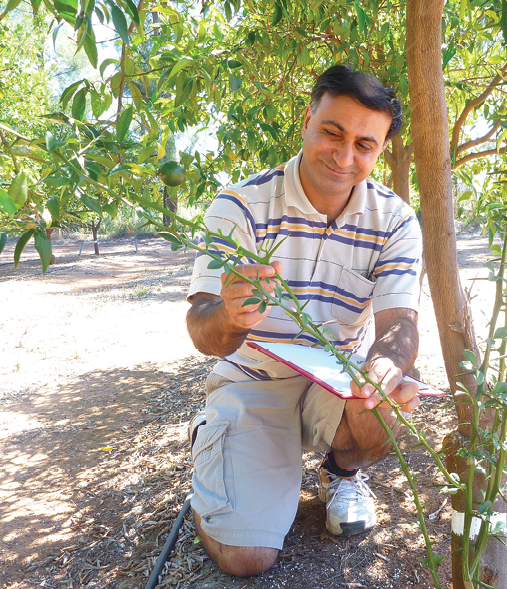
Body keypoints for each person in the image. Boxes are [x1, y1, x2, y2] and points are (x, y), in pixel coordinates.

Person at [185, 64, 423, 577]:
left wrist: (382, 369)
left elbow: (400, 323)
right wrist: (229, 313)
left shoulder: (398, 220)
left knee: (378, 409)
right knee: (247, 559)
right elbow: (202, 331)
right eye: (332, 132)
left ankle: (340, 471)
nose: (344, 156)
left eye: (365, 144)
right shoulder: (240, 207)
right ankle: (218, 438)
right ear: (308, 120)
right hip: (253, 381)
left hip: (337, 380)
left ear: (381, 150)